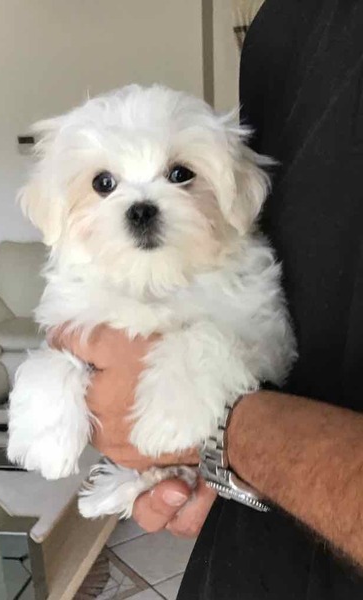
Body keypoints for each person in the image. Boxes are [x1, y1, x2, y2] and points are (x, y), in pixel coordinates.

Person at [51, 0, 363, 597]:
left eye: (178, 174)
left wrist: (225, 431)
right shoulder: (275, 28)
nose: (142, 203)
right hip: (249, 536)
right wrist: (224, 467)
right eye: (106, 184)